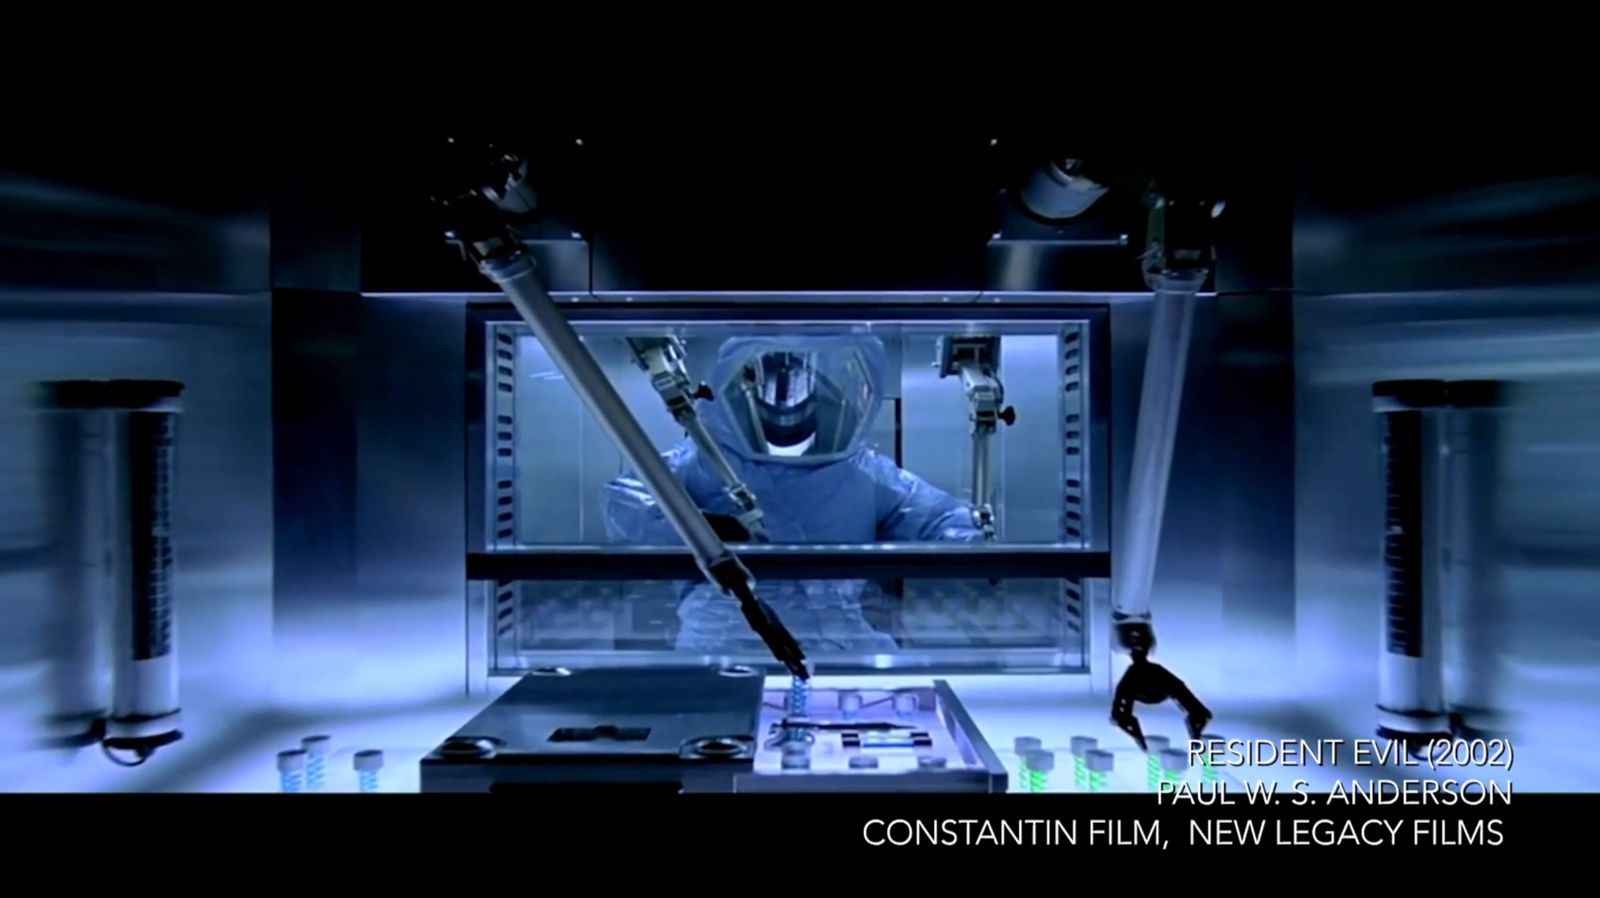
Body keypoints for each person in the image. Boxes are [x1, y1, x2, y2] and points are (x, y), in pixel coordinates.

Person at [603, 335, 984, 654]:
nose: (784, 400)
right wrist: (702, 529)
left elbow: (938, 518)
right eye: (770, 386)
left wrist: (972, 543)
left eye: (799, 386)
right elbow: (625, 504)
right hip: (723, 638)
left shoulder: (861, 472)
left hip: (837, 642)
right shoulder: (704, 461)